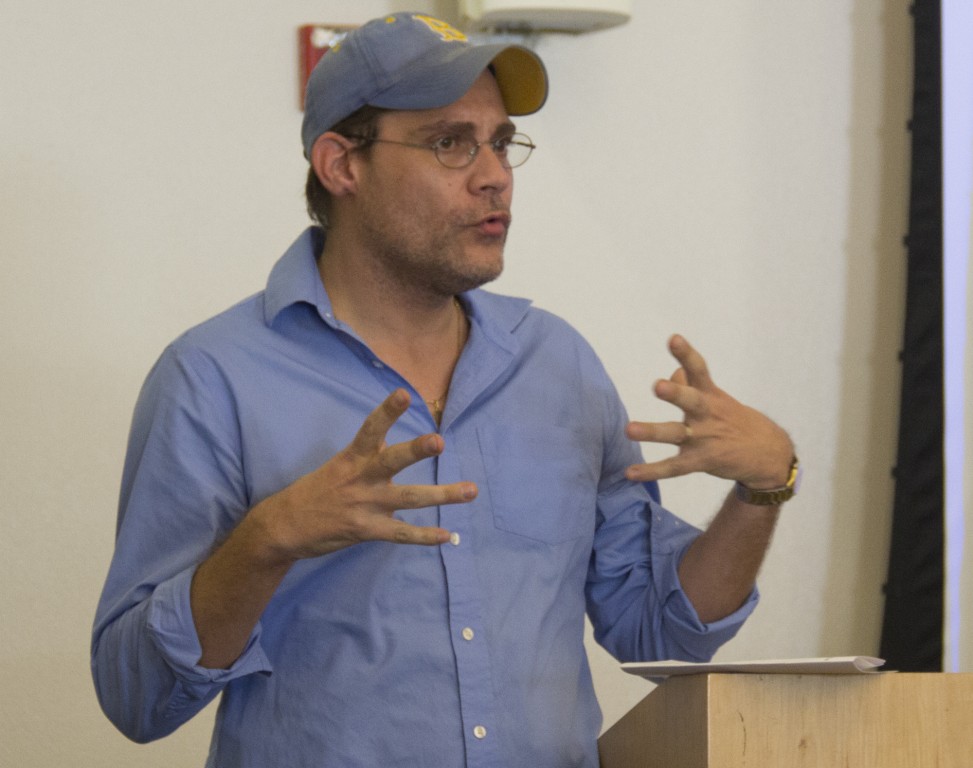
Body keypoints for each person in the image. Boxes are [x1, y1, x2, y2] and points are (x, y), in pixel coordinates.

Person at [91, 12, 798, 768]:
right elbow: (137, 698)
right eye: (449, 142)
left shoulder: (554, 362)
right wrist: (266, 541)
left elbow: (656, 625)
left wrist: (762, 490)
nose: (494, 174)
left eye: (499, 142)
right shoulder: (213, 377)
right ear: (341, 165)